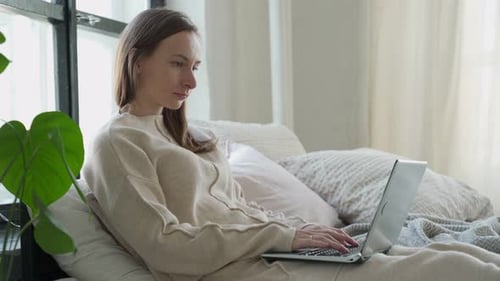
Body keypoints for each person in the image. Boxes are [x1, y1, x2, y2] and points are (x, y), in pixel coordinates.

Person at [82, 7, 500, 281]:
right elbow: (163, 246)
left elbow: (243, 211)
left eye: (194, 67)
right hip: (238, 271)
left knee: (466, 256)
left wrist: (301, 232)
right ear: (137, 61)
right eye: (178, 64)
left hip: (270, 257)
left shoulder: (185, 137)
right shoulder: (117, 143)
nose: (191, 82)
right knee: (457, 267)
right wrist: (284, 238)